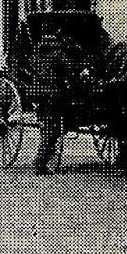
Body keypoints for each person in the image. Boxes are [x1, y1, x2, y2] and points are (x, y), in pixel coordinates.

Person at [32, 30, 76, 174]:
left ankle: (42, 158)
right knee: (53, 128)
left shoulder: (36, 57)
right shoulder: (58, 55)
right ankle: (40, 162)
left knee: (48, 125)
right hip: (54, 95)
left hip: (38, 94)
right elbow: (70, 70)